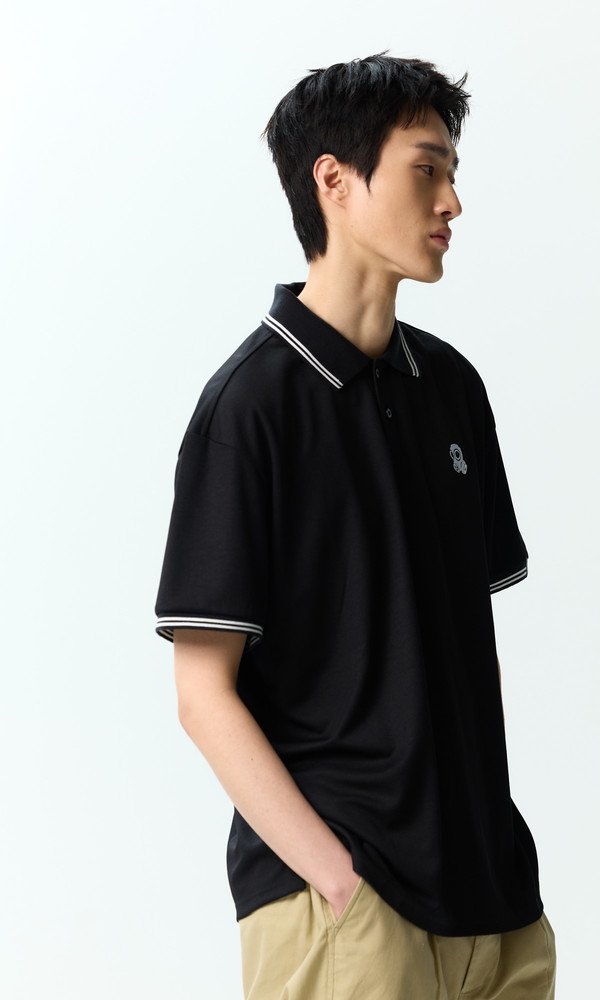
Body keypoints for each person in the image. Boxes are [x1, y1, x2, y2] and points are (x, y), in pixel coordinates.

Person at [155, 52, 556, 1000]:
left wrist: (495, 834)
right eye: (427, 169)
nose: (452, 201)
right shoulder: (250, 408)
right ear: (332, 180)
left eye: (453, 171)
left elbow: (465, 641)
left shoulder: (451, 388)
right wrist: (337, 881)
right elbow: (202, 693)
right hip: (349, 906)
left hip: (494, 899)